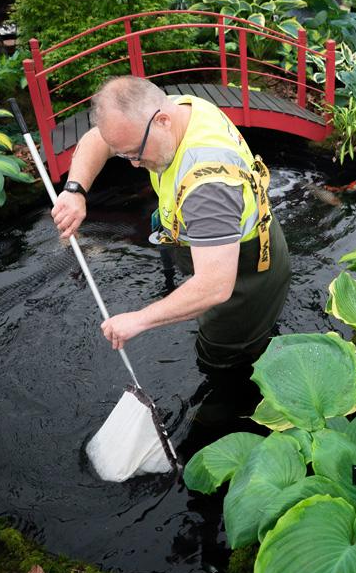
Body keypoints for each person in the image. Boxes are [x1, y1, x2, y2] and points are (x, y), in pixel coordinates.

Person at [50, 76, 291, 371]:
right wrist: (75, 191)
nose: (134, 164)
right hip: (221, 240)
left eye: (136, 153)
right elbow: (99, 139)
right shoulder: (175, 109)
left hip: (246, 275)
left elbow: (214, 287)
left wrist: (138, 320)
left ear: (162, 120)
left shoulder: (210, 188)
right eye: (123, 153)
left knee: (222, 358)